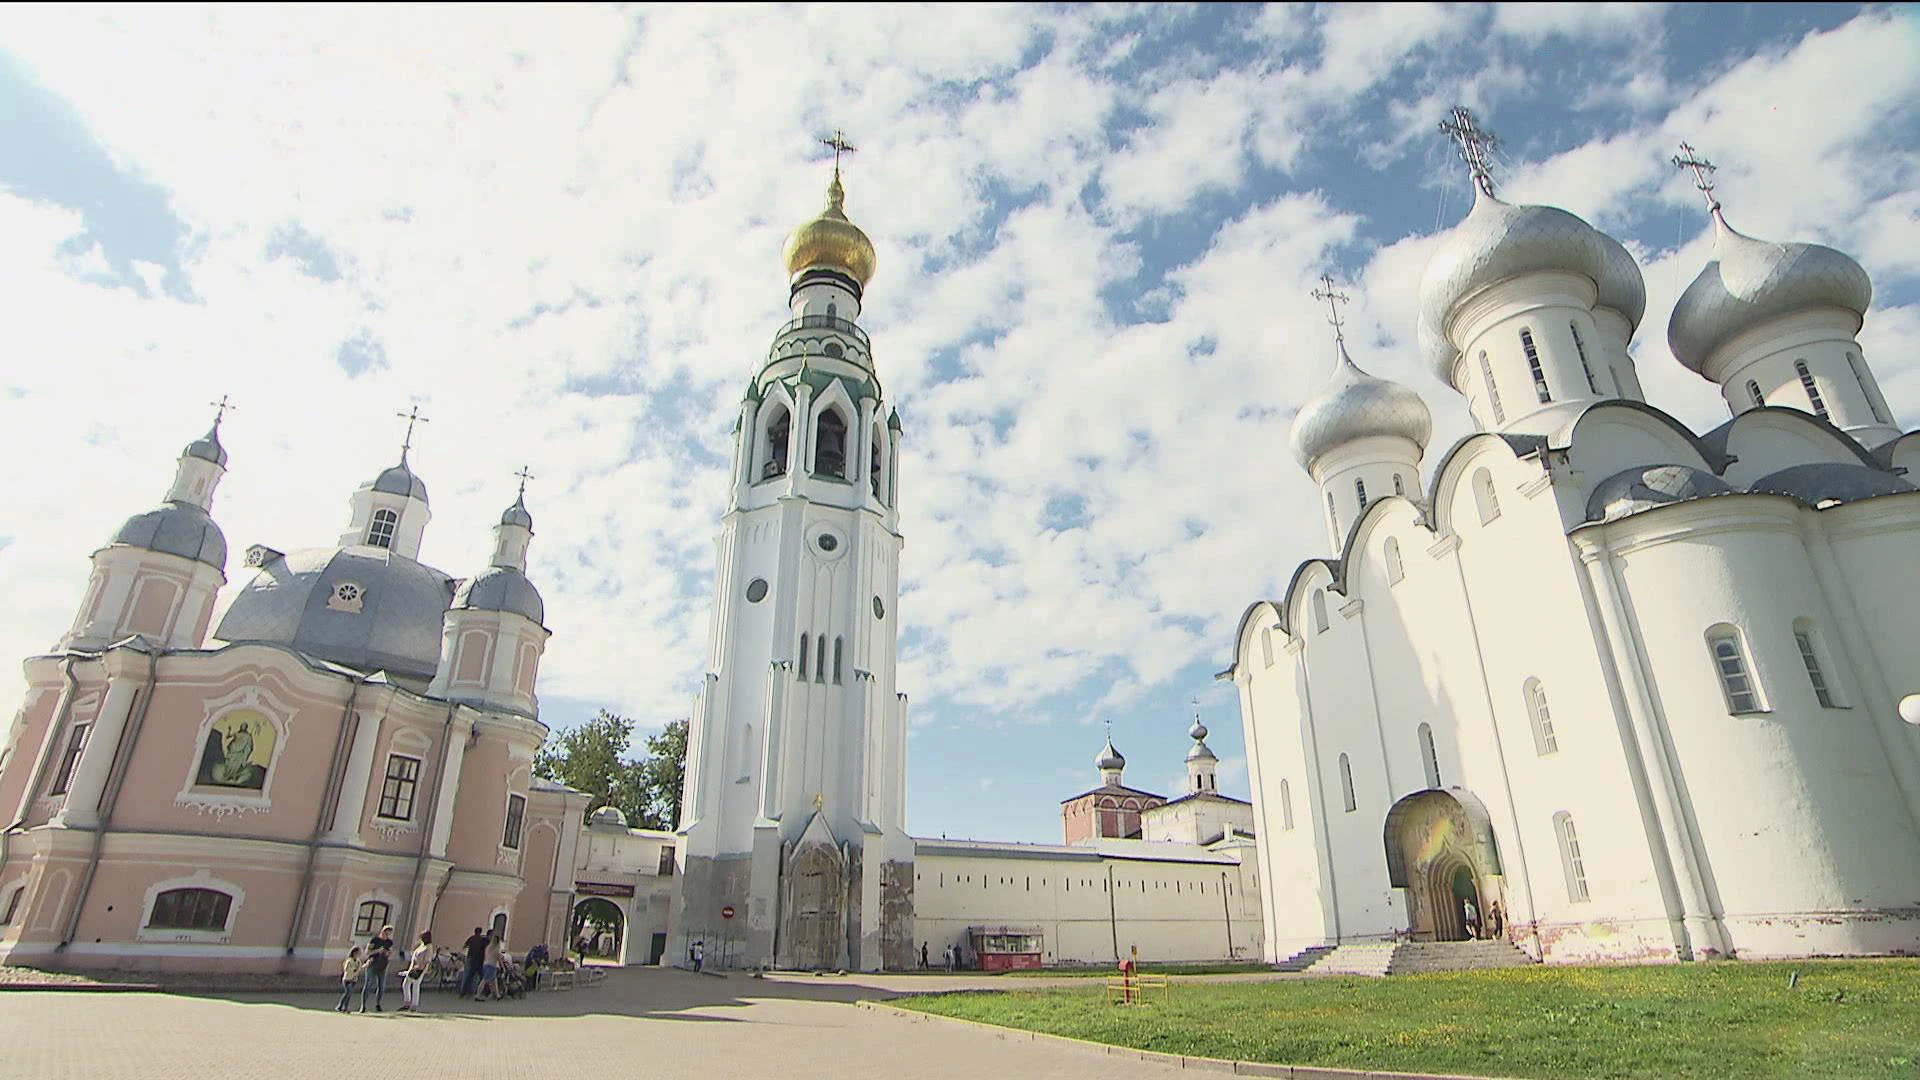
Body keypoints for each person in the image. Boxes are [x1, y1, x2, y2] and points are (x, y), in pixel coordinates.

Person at [361, 924, 395, 1012]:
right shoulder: (374, 940)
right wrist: (378, 950)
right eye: (386, 933)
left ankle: (378, 1004)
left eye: (388, 934)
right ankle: (363, 1005)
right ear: (382, 931)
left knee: (381, 986)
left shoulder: (389, 942)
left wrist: (388, 953)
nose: (386, 936)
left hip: (382, 966)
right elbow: (367, 952)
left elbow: (391, 952)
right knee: (368, 985)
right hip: (372, 964)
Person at [400, 930, 432, 1013]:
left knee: (416, 985)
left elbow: (426, 960)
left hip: (420, 969)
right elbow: (415, 954)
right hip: (413, 967)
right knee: (406, 984)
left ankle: (414, 1005)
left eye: (422, 937)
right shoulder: (421, 945)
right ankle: (407, 1002)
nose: (420, 939)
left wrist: (421, 969)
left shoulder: (429, 947)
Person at [460, 926, 489, 998]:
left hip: (472, 960)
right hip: (479, 961)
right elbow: (486, 949)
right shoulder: (483, 940)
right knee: (483, 977)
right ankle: (486, 992)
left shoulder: (472, 938)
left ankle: (463, 992)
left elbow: (464, 946)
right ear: (480, 932)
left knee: (469, 977)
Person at [477, 931, 504, 1001]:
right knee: (484, 980)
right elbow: (499, 960)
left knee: (494, 980)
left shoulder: (488, 947)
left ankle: (497, 995)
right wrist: (503, 968)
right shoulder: (497, 950)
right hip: (492, 966)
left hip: (485, 965)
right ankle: (478, 995)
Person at [337, 947, 363, 1013]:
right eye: (358, 953)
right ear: (354, 953)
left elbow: (360, 968)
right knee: (347, 992)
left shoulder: (358, 961)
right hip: (347, 979)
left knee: (349, 994)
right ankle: (339, 1006)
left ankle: (345, 1008)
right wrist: (353, 969)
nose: (359, 954)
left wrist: (367, 964)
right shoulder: (349, 960)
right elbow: (346, 969)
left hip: (354, 980)